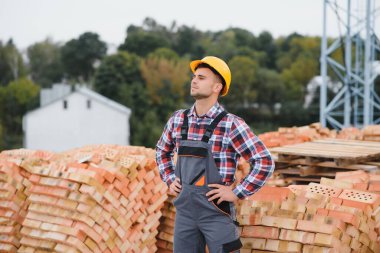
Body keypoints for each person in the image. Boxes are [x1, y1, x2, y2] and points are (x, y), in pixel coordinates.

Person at [156, 56, 275, 253]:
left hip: (217, 215)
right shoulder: (178, 119)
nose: (194, 81)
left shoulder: (231, 124)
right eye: (194, 76)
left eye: (201, 78)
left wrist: (236, 192)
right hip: (185, 214)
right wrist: (169, 179)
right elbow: (162, 151)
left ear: (217, 87)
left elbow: (264, 162)